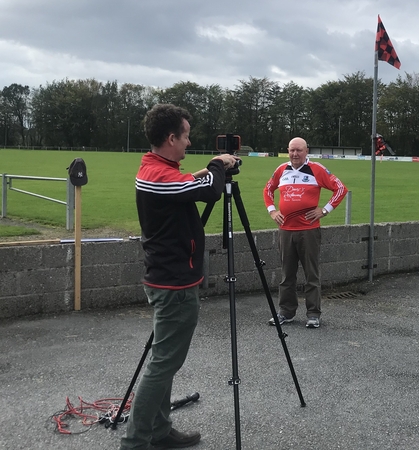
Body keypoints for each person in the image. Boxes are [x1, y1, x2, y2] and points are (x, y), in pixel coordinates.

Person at [121, 104, 240, 450]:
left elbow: (189, 184)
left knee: (165, 359)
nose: (189, 142)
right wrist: (218, 165)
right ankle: (136, 440)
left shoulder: (157, 167)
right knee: (163, 363)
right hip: (173, 284)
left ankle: (158, 430)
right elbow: (208, 190)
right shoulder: (161, 177)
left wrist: (208, 170)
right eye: (186, 136)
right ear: (171, 138)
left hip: (169, 278)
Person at [263, 137, 348, 329]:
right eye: (292, 150)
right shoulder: (281, 169)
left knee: (312, 274)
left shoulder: (316, 169)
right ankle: (286, 312)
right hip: (286, 230)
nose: (295, 154)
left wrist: (324, 210)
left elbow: (340, 188)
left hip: (308, 230)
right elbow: (268, 189)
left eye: (299, 150)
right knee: (287, 275)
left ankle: (313, 314)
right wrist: (272, 210)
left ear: (306, 151)